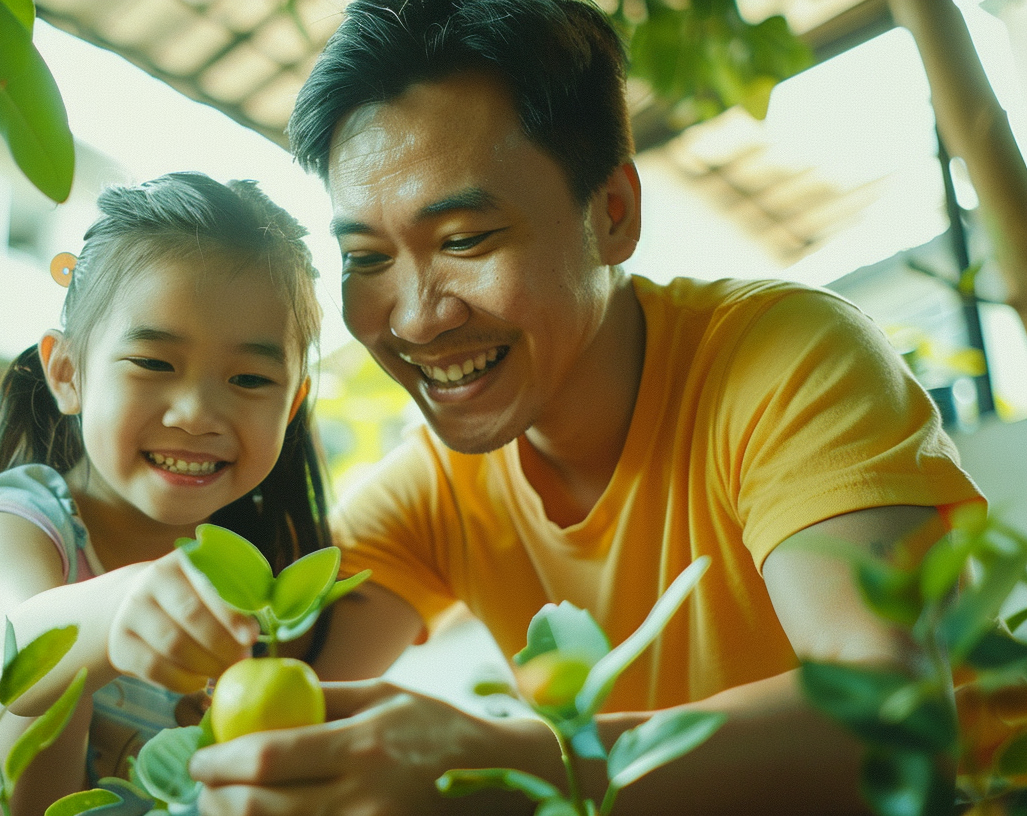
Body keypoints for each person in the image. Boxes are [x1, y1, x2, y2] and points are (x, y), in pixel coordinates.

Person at [179, 1, 986, 814]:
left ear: (613, 213)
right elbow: (260, 697)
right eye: (366, 258)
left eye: (465, 240)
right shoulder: (431, 492)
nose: (417, 317)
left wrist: (513, 766)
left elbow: (898, 725)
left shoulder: (785, 359)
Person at [0, 172, 331, 816]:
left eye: (249, 378)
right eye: (154, 363)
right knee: (39, 679)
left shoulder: (246, 578)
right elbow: (25, 636)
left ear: (291, 406)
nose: (196, 413)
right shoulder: (20, 523)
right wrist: (119, 604)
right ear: (68, 374)